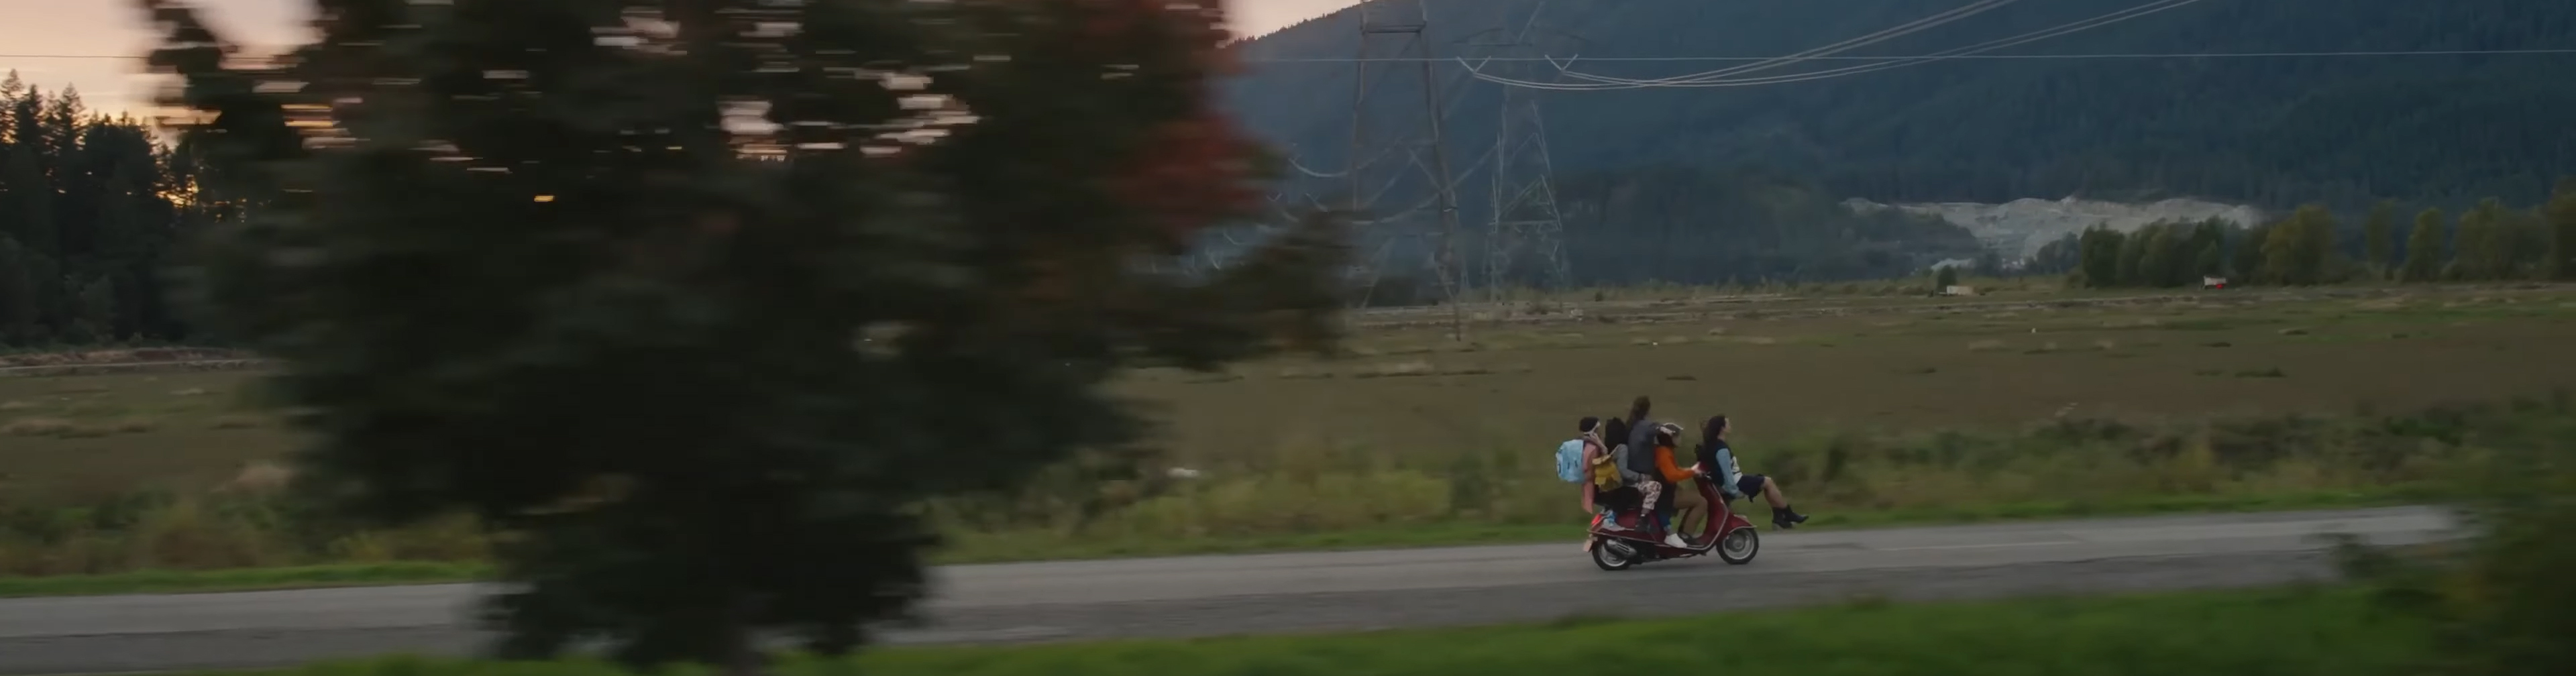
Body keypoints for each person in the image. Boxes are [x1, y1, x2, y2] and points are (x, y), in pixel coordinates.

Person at [1695, 415, 1811, 530]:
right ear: (1722, 429)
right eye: (1728, 424)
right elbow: (1727, 473)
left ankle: (1779, 519)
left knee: (1763, 481)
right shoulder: (1721, 449)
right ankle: (1788, 514)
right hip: (1734, 483)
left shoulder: (1712, 446)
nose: (1730, 426)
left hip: (1729, 482)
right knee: (1767, 482)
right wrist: (1734, 491)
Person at [1647, 421, 1700, 548]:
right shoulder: (1664, 453)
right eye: (1677, 436)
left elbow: (1674, 470)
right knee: (1701, 502)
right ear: (1670, 438)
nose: (1680, 438)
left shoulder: (1666, 451)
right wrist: (1692, 472)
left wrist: (1690, 470)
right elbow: (1672, 476)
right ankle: (1686, 536)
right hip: (1665, 495)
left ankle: (1683, 534)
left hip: (1667, 492)